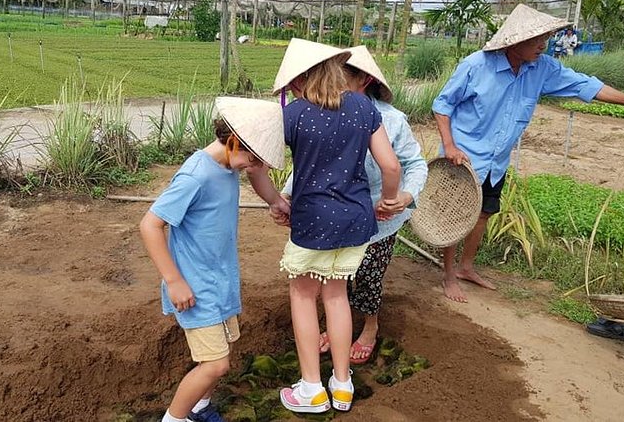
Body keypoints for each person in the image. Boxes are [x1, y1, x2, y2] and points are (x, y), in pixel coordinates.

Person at [433, 4, 624, 303]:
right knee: (454, 216)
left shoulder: (542, 68)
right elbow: (443, 106)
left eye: (546, 38)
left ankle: (467, 267)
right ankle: (449, 275)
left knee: (483, 214)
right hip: (464, 157)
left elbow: (587, 86)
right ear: (514, 41)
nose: (543, 45)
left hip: (495, 162)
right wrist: (450, 146)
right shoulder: (476, 66)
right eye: (536, 40)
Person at [270, 38, 401, 414]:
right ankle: (342, 385)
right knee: (336, 296)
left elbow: (257, 163)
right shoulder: (363, 106)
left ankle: (311, 388)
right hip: (356, 218)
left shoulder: (294, 114)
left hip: (312, 219)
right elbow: (391, 167)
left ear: (300, 79)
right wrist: (388, 201)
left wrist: (276, 202)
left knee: (303, 296)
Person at [139, 97, 289, 422]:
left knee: (223, 349)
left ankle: (199, 407)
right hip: (195, 286)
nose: (254, 167)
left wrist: (277, 201)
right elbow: (150, 225)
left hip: (221, 279)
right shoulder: (196, 175)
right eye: (253, 159)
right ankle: (174, 419)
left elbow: (258, 176)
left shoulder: (229, 162)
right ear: (234, 141)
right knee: (216, 364)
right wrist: (174, 281)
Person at [277, 45, 428, 364]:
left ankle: (369, 328)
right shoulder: (321, 109)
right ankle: (339, 345)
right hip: (353, 215)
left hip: (380, 216)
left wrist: (402, 197)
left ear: (364, 80)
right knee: (338, 284)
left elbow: (412, 164)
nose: (335, 81)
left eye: (343, 76)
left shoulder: (390, 119)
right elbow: (311, 162)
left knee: (369, 276)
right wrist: (289, 194)